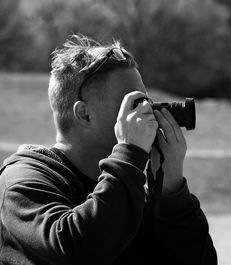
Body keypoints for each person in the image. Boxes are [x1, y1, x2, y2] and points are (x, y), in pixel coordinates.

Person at [0, 35, 217, 264]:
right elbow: (77, 251)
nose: (147, 113)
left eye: (147, 102)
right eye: (133, 104)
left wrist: (172, 192)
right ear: (84, 114)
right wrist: (128, 156)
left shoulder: (127, 191)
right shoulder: (23, 182)